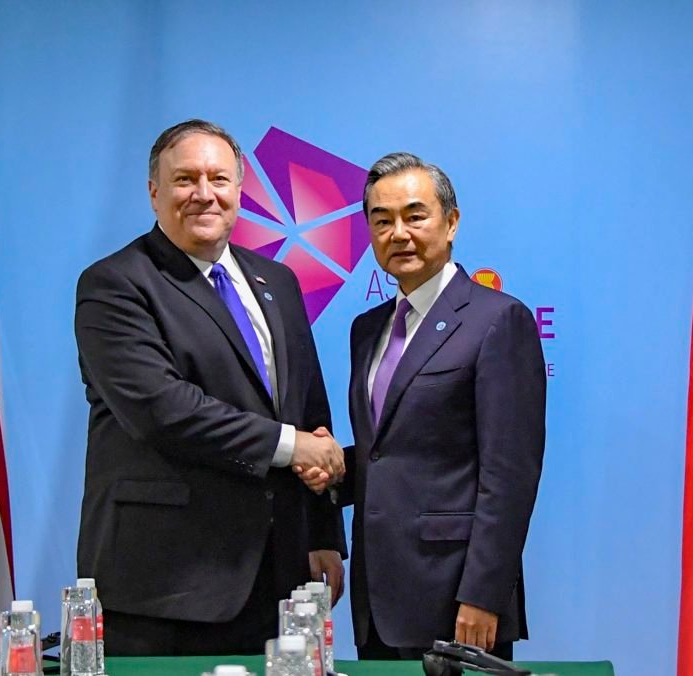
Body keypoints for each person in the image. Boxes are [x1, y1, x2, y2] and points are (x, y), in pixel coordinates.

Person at [74, 119, 346, 656]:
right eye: (185, 180)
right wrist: (293, 447)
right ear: (154, 191)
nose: (204, 194)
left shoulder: (279, 281)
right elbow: (162, 410)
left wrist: (322, 535)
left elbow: (309, 409)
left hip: (279, 579)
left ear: (239, 191)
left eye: (219, 179)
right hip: (168, 587)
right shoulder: (115, 284)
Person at [310, 152, 545, 660]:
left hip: (458, 599)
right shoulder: (366, 330)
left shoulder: (498, 320)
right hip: (378, 598)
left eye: (415, 216)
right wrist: (330, 469)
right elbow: (391, 453)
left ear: (451, 222)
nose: (399, 233)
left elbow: (510, 475)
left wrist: (484, 595)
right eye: (382, 220)